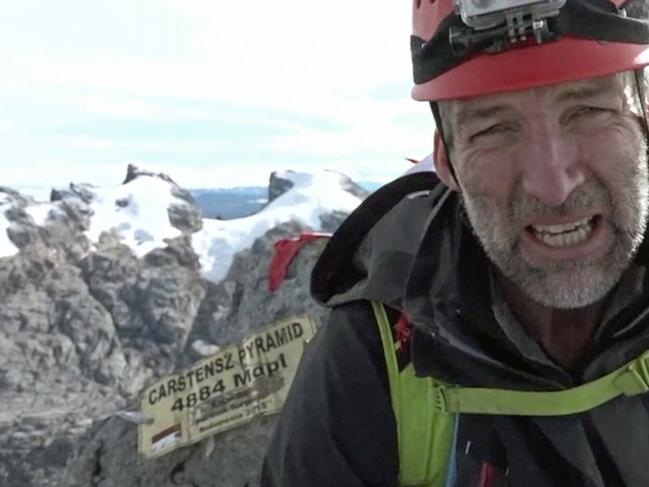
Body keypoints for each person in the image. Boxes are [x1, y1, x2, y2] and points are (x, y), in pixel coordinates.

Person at [260, 1, 649, 485]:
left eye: (588, 109)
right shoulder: (379, 353)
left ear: (646, 122)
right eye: (495, 129)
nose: (554, 186)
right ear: (447, 163)